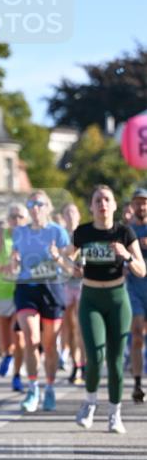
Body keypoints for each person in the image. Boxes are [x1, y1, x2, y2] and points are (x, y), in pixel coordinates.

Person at [61, 185, 145, 432]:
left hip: (118, 298)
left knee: (116, 361)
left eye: (107, 199)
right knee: (95, 358)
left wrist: (126, 256)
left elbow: (142, 269)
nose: (102, 204)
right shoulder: (83, 232)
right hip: (91, 298)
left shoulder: (125, 232)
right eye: (98, 200)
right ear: (91, 206)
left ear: (115, 205)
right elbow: (67, 261)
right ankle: (89, 403)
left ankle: (115, 413)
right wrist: (73, 268)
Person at [11, 190, 71, 413]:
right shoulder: (19, 232)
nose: (35, 207)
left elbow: (69, 268)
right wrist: (14, 262)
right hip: (26, 288)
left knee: (49, 345)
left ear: (48, 208)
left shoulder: (58, 232)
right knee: (31, 337)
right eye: (31, 203)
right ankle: (33, 388)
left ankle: (50, 388)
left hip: (52, 289)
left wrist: (57, 257)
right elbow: (13, 264)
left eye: (40, 204)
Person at [0, 205, 27, 392]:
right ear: (8, 219)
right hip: (2, 291)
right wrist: (2, 267)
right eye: (13, 216)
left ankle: (16, 375)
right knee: (5, 341)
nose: (16, 220)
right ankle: (7, 358)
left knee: (19, 335)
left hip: (22, 293)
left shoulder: (30, 237)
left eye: (20, 216)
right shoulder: (1, 237)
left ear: (26, 219)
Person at [60, 202, 85, 385]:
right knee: (69, 327)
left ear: (79, 215)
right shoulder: (61, 236)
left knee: (80, 327)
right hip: (65, 284)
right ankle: (74, 363)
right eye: (67, 212)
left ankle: (81, 365)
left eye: (73, 211)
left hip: (83, 283)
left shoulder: (85, 234)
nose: (70, 215)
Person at [127, 187, 147, 403]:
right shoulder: (128, 231)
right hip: (134, 289)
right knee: (138, 335)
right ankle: (138, 384)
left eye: (145, 202)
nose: (141, 206)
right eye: (138, 202)